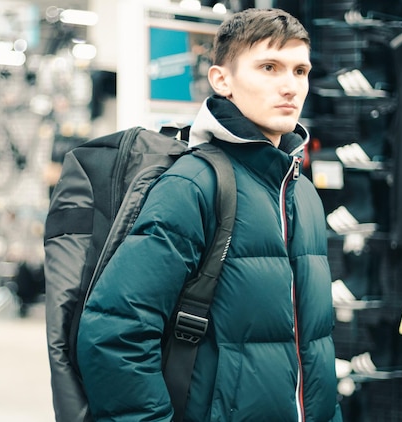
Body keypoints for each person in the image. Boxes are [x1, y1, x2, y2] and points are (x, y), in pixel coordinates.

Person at [77, 8, 342, 421]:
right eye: (269, 67)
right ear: (222, 81)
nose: (289, 85)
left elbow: (314, 348)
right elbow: (115, 333)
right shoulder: (195, 184)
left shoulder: (303, 193)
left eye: (300, 70)